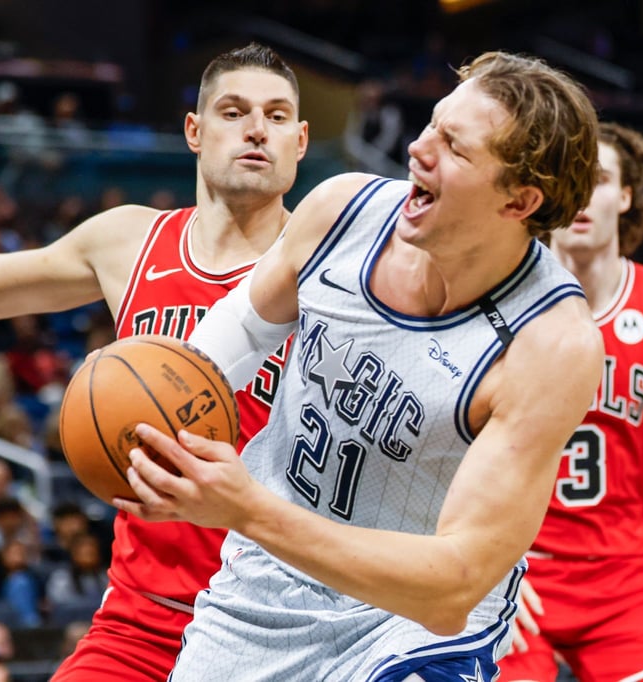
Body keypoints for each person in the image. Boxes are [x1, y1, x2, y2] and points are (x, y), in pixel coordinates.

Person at [0, 42, 309, 681]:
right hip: (144, 615)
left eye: (277, 117)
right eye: (234, 111)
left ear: (301, 141)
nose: (256, 130)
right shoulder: (131, 239)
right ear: (194, 130)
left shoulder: (331, 269)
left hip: (280, 620)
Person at [117, 51, 604, 680]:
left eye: (454, 148)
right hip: (263, 587)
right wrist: (147, 419)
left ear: (519, 201)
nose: (417, 150)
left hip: (411, 629)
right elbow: (232, 338)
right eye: (430, 125)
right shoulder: (340, 212)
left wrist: (248, 510)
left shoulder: (548, 344)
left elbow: (453, 587)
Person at [500, 122, 643, 682]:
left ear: (626, 195)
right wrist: (474, 570)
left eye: (599, 179)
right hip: (510, 573)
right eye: (572, 178)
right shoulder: (493, 297)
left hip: (622, 584)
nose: (583, 194)